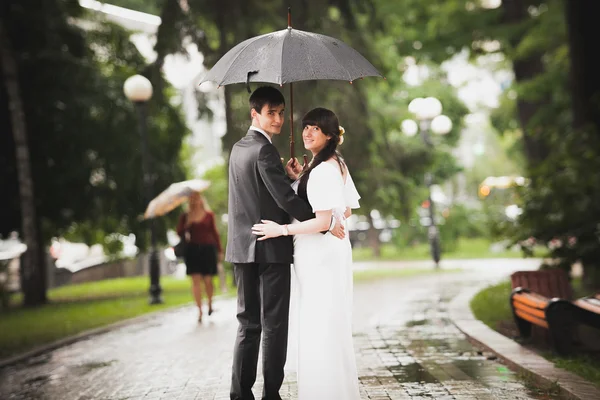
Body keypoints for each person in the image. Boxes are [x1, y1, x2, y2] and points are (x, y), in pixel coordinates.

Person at [226, 86, 344, 400]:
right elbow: (285, 200)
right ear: (255, 114)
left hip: (242, 248)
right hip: (270, 249)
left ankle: (239, 394)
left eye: (281, 112)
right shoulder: (264, 150)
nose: (279, 119)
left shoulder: (239, 147)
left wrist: (288, 175)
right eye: (271, 113)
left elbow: (261, 192)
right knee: (274, 326)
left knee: (248, 324)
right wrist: (323, 222)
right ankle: (271, 395)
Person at [252, 107, 361, 400]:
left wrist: (281, 230)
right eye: (305, 127)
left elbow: (324, 220)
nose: (307, 133)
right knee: (326, 322)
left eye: (315, 128)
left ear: (330, 135)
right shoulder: (331, 163)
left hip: (319, 254)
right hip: (326, 252)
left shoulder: (325, 168)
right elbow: (345, 208)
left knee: (319, 323)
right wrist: (299, 179)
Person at [176, 192, 223, 323]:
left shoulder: (209, 215)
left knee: (208, 280)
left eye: (197, 198)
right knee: (195, 281)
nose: (195, 201)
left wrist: (220, 250)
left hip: (208, 250)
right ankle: (199, 311)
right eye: (192, 199)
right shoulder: (185, 216)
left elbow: (215, 233)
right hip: (192, 251)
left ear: (201, 199)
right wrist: (187, 223)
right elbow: (179, 232)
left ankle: (209, 303)